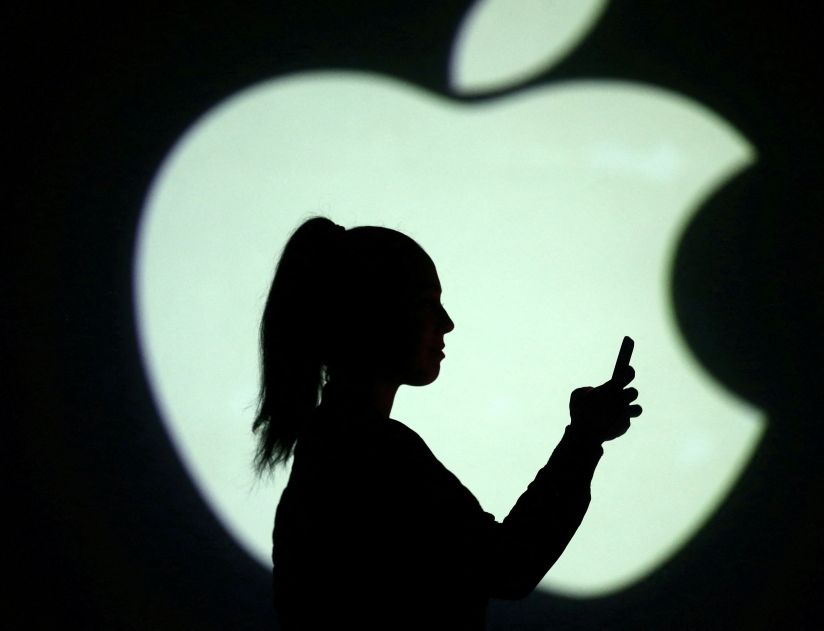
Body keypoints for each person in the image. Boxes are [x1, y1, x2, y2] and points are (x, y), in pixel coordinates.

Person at [252, 217, 641, 630]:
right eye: (427, 303)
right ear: (376, 315)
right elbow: (508, 566)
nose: (447, 322)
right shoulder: (375, 454)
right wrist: (583, 439)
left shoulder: (328, 450)